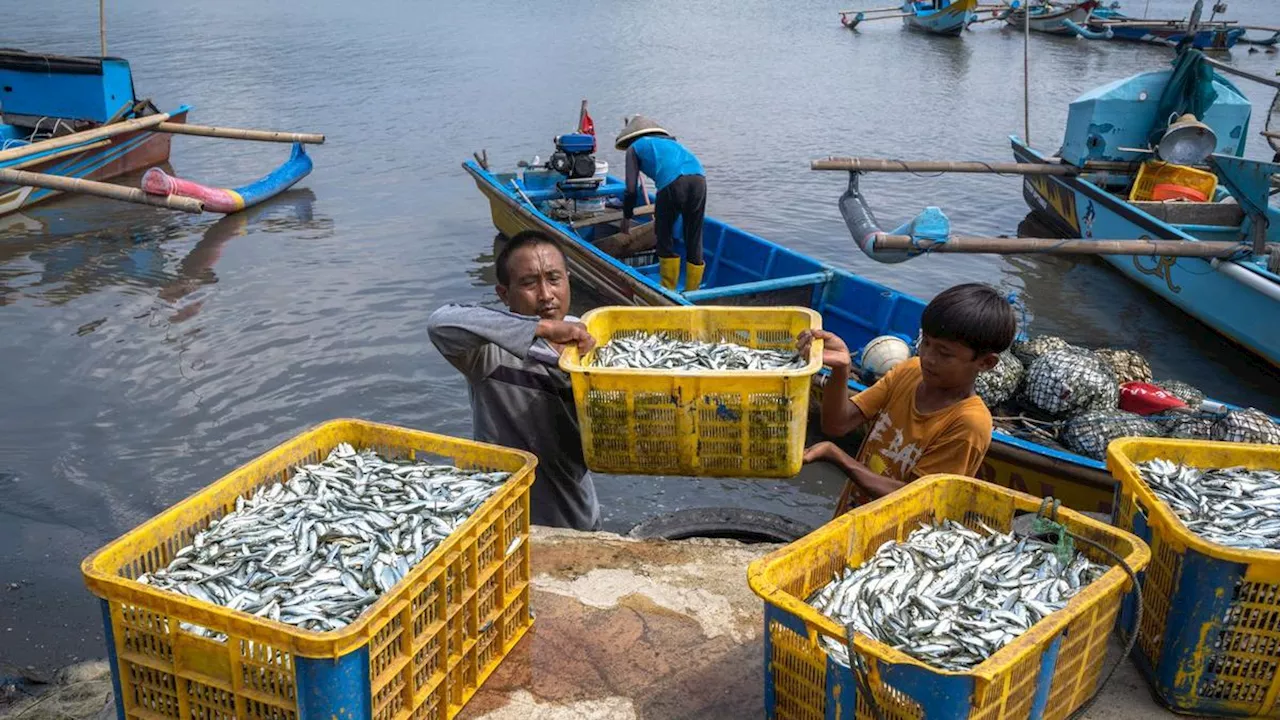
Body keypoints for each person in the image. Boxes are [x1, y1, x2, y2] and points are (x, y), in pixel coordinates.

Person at [427, 230, 602, 531]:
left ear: (568, 280)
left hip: (577, 516)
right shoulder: (487, 354)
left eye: (554, 278)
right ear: (504, 295)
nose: (546, 294)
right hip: (506, 521)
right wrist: (541, 328)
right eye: (529, 283)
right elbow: (440, 323)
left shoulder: (594, 340)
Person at [799, 283, 1016, 515]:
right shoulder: (910, 371)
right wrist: (842, 369)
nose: (928, 358)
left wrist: (837, 456)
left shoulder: (968, 423)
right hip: (852, 515)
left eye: (944, 353)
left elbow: (917, 498)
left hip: (898, 540)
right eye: (927, 343)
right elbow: (836, 424)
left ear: (985, 363)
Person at [614, 115, 707, 293]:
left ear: (630, 138)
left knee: (664, 235)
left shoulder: (633, 148)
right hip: (699, 178)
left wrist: (626, 217)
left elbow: (631, 189)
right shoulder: (672, 143)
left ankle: (668, 289)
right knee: (693, 236)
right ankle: (693, 292)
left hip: (672, 184)